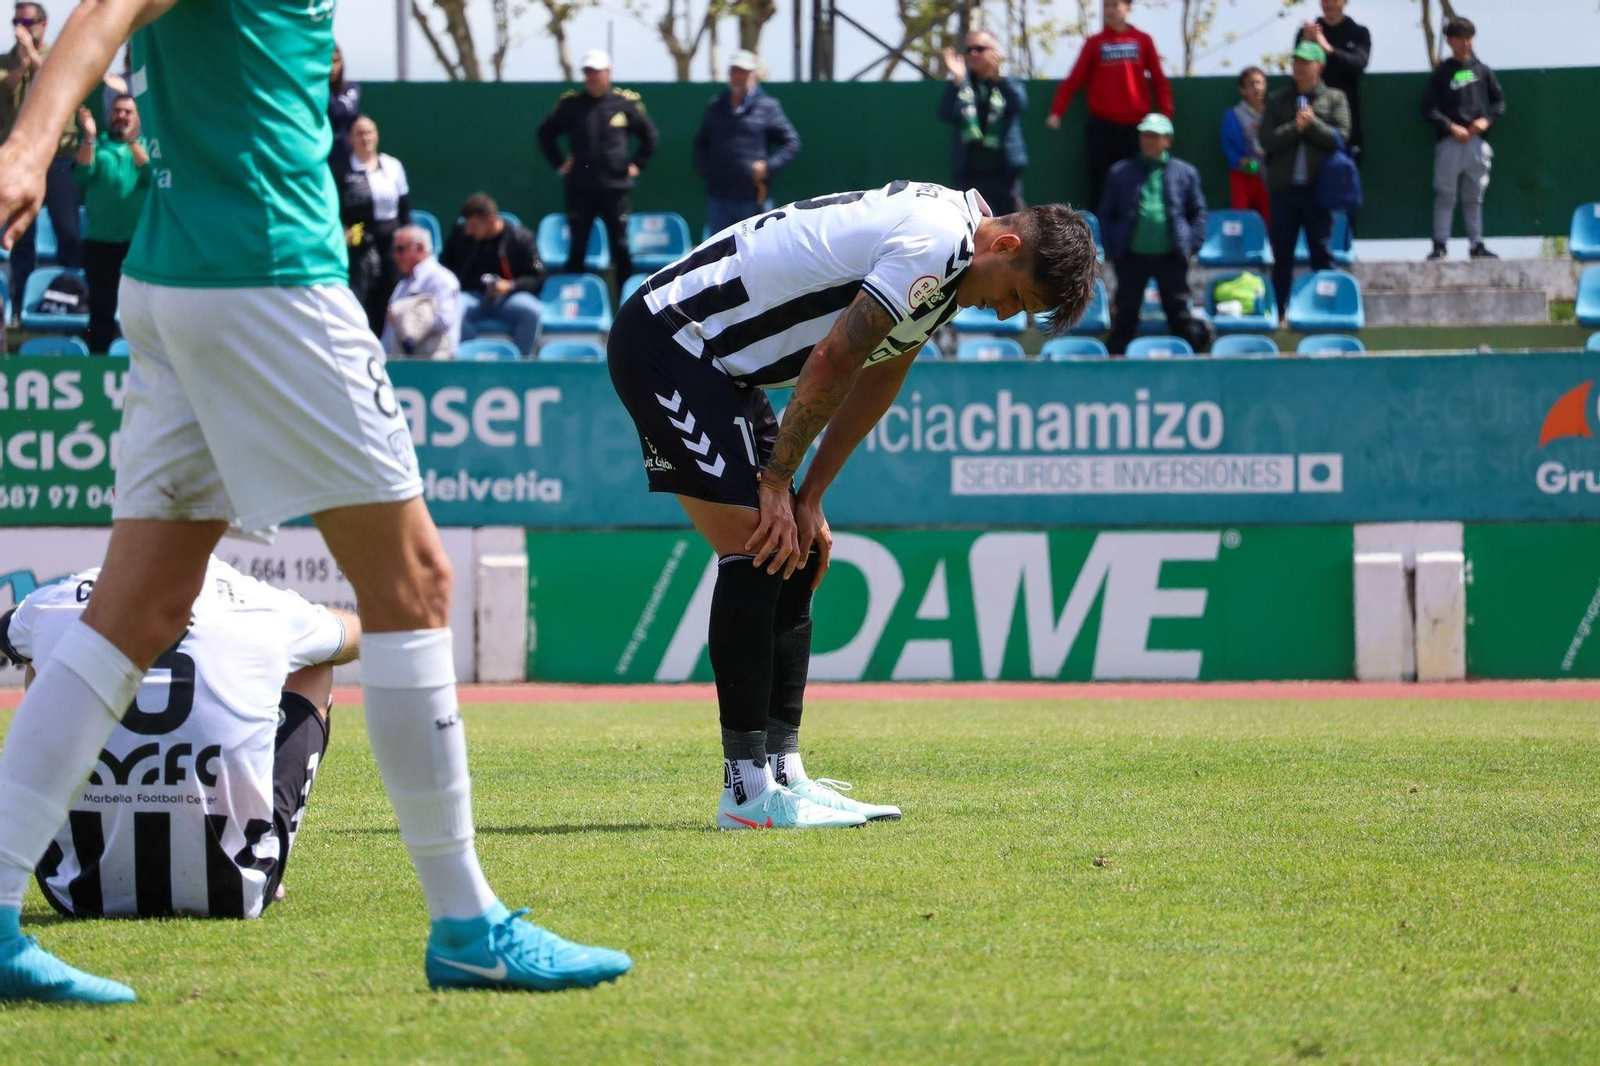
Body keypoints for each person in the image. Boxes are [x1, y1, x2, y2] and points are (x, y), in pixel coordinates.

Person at [0, 0, 629, 1005]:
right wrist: (27, 149)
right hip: (269, 280)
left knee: (135, 614)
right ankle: (466, 922)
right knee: (415, 584)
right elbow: (110, 6)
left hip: (175, 283)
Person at [606, 182, 1098, 831]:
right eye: (1015, 297)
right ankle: (746, 793)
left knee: (799, 550)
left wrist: (810, 495)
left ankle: (784, 775)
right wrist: (778, 484)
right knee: (759, 546)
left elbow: (879, 370)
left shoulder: (952, 266)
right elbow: (836, 356)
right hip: (671, 341)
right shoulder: (936, 238)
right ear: (1003, 245)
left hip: (727, 369)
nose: (1006, 315)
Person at [2, 556, 358, 920]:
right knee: (317, 663)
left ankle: (57, 829)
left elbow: (8, 635)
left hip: (77, 889)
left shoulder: (55, 600)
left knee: (39, 657)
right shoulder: (266, 605)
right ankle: (251, 848)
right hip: (232, 890)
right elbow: (353, 637)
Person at [537, 49, 657, 290]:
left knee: (621, 246)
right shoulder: (570, 105)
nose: (591, 77)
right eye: (587, 72)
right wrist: (560, 164)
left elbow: (650, 137)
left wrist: (637, 165)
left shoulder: (625, 103)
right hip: (579, 188)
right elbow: (545, 134)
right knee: (577, 246)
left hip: (616, 189)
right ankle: (573, 299)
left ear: (608, 73)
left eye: (596, 72)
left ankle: (628, 302)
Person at [1045, 0, 1172, 212]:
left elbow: (1159, 80)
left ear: (1128, 8)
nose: (1111, 11)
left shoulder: (1143, 40)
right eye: (1107, 6)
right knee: (1100, 184)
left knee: (1136, 185)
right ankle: (1097, 240)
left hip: (1136, 127)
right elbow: (1075, 79)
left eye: (1116, 5)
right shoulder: (1095, 42)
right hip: (1103, 126)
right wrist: (1057, 111)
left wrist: (1166, 115)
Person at [1101, 114, 1210, 356]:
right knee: (1125, 314)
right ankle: (1114, 366)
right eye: (1144, 135)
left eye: (1154, 135)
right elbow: (1106, 213)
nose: (1148, 140)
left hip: (1171, 256)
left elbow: (1198, 211)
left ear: (1167, 140)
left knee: (1179, 312)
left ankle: (1195, 359)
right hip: (1131, 257)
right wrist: (1112, 246)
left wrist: (1192, 243)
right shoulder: (1120, 173)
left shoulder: (1186, 172)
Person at [1259, 41, 1350, 322]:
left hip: (1319, 192)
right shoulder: (1277, 100)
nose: (1298, 66)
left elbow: (1341, 138)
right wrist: (1294, 128)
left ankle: (1325, 310)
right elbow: (1267, 140)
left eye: (1305, 62)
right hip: (1284, 192)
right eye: (1295, 61)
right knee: (1282, 254)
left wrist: (1313, 124)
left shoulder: (1334, 98)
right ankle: (1279, 312)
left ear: (1319, 67)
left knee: (1321, 253)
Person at [1, 1, 80, 315]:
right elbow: (5, 87)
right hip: (21, 160)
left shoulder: (59, 56)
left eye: (28, 20)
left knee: (69, 232)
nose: (21, 25)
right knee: (20, 237)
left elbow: (56, 83)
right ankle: (21, 304)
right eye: (16, 19)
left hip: (59, 157)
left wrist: (33, 58)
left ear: (44, 25)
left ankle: (72, 298)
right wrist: (20, 62)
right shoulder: (6, 60)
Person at [692, 49, 801, 234]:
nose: (737, 76)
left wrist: (768, 166)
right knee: (719, 253)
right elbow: (701, 142)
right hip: (719, 197)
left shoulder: (768, 106)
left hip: (752, 198)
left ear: (754, 75)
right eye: (734, 71)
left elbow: (792, 143)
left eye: (743, 71)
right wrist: (708, 169)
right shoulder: (716, 106)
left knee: (757, 252)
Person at [1422, 16, 1504, 261]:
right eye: (1461, 38)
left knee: (1474, 197)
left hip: (1477, 144)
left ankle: (1476, 244)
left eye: (1470, 37)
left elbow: (1499, 103)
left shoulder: (1483, 71)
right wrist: (1450, 127)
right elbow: (1427, 108)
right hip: (1449, 143)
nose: (1466, 43)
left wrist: (1485, 121)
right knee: (1445, 195)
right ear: (1449, 41)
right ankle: (1439, 246)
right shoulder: (1441, 73)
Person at [73, 93, 149, 354]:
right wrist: (90, 137)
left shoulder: (146, 147)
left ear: (138, 117)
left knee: (140, 309)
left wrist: (132, 142)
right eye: (118, 111)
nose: (122, 116)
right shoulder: (98, 145)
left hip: (136, 244)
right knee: (100, 308)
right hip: (99, 242)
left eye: (128, 112)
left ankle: (139, 358)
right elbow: (82, 173)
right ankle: (98, 361)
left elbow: (152, 175)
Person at [439, 193, 545, 356]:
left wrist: (510, 285)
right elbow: (444, 269)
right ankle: (471, 357)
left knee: (533, 312)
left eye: (473, 225)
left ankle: (522, 364)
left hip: (508, 297)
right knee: (452, 310)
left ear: (490, 219)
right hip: (472, 295)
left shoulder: (521, 238)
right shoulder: (460, 236)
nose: (469, 230)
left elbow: (537, 278)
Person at [937, 29, 1029, 215]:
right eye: (969, 49)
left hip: (1004, 171)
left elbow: (1019, 103)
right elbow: (945, 113)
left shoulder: (1007, 80)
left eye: (980, 48)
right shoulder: (963, 81)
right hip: (969, 172)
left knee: (1012, 223)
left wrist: (999, 79)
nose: (973, 54)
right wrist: (957, 80)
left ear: (995, 52)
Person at [336, 114, 411, 334]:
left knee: (389, 290)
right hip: (358, 235)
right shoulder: (341, 169)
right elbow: (335, 209)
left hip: (391, 236)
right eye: (359, 133)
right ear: (350, 138)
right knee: (360, 290)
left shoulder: (393, 165)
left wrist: (406, 238)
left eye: (369, 132)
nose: (365, 138)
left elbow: (404, 209)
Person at [1294, 0, 1369, 169]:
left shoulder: (1358, 32)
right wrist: (1306, 43)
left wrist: (1326, 47)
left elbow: (1359, 63)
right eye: (1325, 1)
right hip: (1311, 118)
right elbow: (1298, 72)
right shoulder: (1306, 33)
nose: (1329, 5)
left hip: (1346, 123)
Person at [384, 223, 461, 359]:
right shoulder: (402, 285)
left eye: (400, 249)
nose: (396, 256)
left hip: (433, 364)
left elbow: (444, 320)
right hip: (401, 364)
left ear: (419, 248)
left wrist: (407, 318)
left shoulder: (442, 279)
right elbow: (388, 332)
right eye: (394, 250)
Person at [1220, 66, 1269, 221]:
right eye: (1251, 84)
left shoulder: (1274, 112)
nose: (1256, 87)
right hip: (1242, 173)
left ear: (1265, 86)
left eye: (1259, 83)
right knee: (1241, 217)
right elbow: (1227, 144)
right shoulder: (1233, 115)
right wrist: (1239, 160)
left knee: (1270, 216)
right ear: (1242, 90)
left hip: (1268, 174)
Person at [327, 44, 359, 160]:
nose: (332, 67)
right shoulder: (310, 91)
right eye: (327, 62)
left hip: (344, 158)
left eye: (336, 61)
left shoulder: (350, 89)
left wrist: (321, 88)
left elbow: (339, 111)